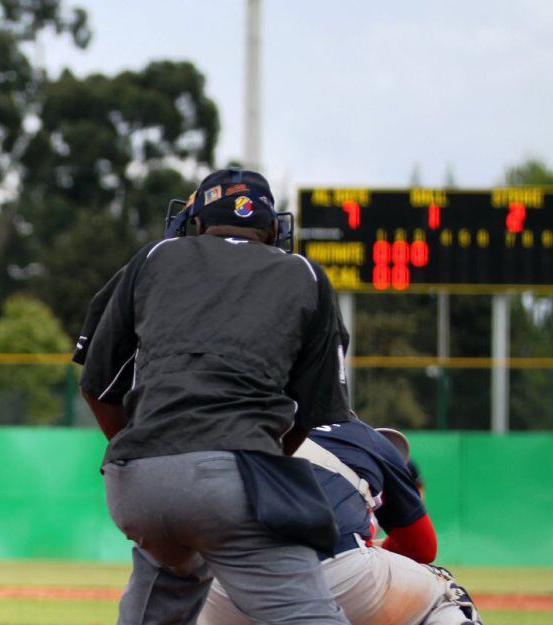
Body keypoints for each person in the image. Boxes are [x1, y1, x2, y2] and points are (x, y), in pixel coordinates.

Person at [79, 167, 352, 625]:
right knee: (308, 616)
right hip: (233, 478)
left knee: (166, 586)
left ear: (198, 222)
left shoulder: (155, 257)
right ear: (273, 229)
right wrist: (258, 464)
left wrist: (148, 450)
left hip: (136, 485)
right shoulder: (303, 273)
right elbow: (313, 411)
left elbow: (96, 384)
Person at [199, 418, 483, 625]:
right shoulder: (363, 437)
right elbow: (422, 548)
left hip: (227, 581)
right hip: (334, 570)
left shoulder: (250, 423)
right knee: (444, 589)